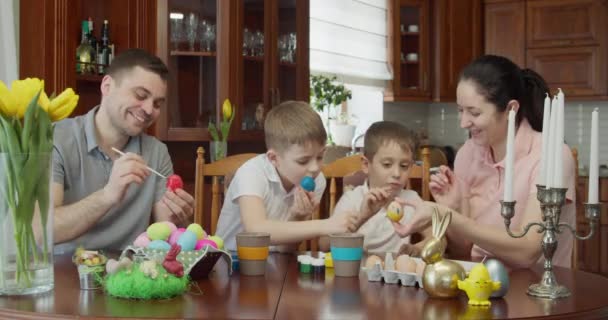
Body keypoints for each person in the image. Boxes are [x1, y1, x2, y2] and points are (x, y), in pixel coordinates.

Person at [393, 55, 576, 268]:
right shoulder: (468, 154)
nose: (463, 122)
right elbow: (465, 251)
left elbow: (528, 251)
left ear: (511, 109)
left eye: (474, 112)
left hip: (534, 290)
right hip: (478, 284)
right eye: (460, 110)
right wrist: (453, 207)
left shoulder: (551, 154)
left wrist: (450, 216)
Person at [52, 49, 195, 252]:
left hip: (129, 275)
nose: (148, 110)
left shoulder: (156, 152)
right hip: (65, 275)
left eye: (157, 103)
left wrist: (182, 218)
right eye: (140, 95)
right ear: (107, 86)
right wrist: (108, 195)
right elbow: (41, 231)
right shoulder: (57, 138)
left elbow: (168, 232)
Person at [215, 101, 357, 251]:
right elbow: (256, 230)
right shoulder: (252, 173)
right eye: (303, 161)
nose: (315, 168)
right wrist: (326, 225)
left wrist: (297, 217)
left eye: (320, 157)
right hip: (228, 263)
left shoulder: (317, 180)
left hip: (274, 264)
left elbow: (284, 250)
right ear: (274, 159)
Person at [319, 121, 431, 255]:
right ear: (366, 165)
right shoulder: (352, 199)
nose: (397, 173)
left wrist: (417, 248)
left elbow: (438, 238)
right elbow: (324, 244)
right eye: (387, 164)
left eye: (404, 166)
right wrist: (360, 218)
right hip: (356, 271)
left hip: (394, 273)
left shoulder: (411, 200)